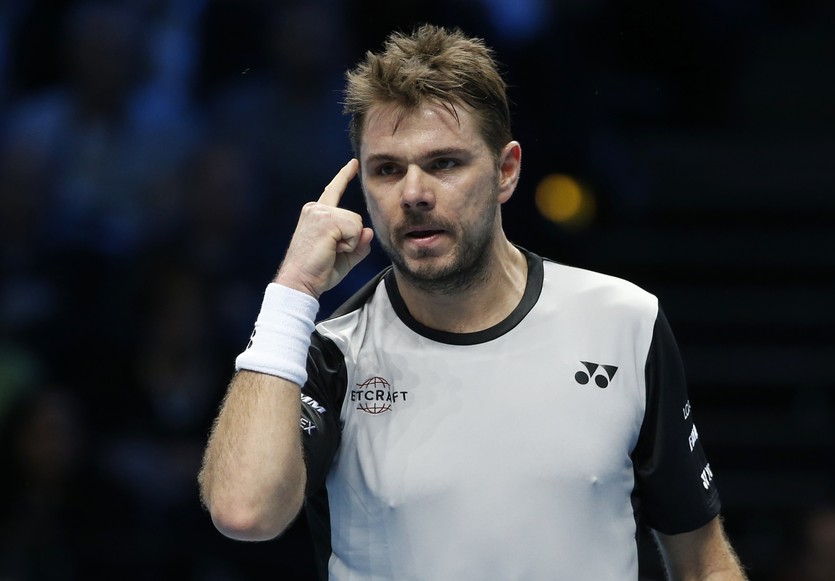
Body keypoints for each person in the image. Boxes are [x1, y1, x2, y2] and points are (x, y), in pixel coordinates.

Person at [198, 24, 747, 580]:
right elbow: (245, 512)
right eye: (387, 169)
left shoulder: (624, 321)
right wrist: (292, 290)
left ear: (506, 171)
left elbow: (704, 566)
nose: (413, 193)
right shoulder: (331, 352)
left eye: (444, 164)